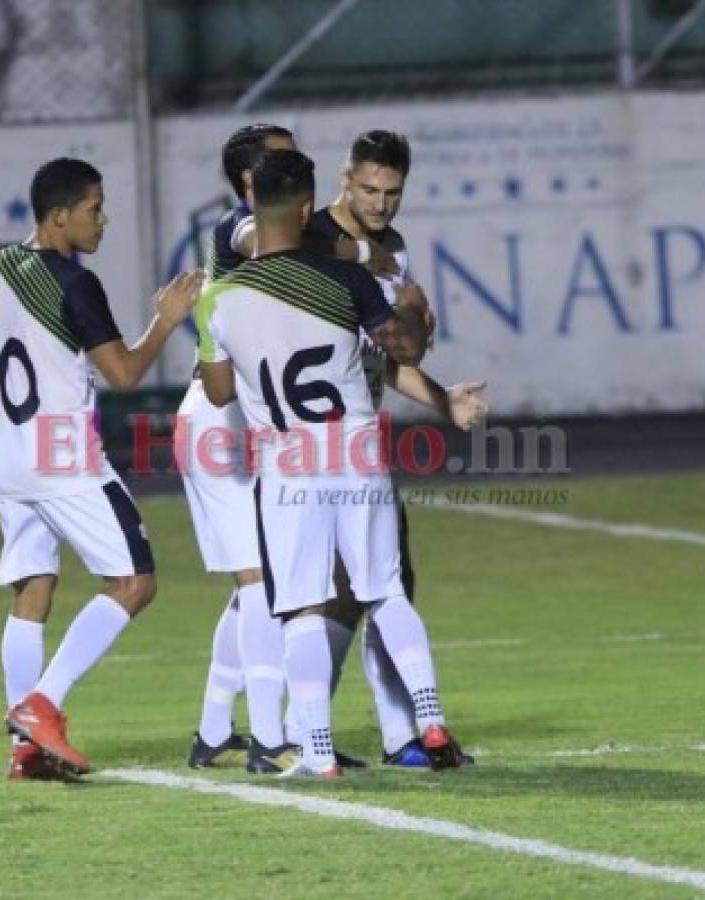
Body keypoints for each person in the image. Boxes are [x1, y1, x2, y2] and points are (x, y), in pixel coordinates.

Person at [197, 149, 463, 777]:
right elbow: (401, 345)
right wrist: (417, 311)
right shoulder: (347, 280)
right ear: (308, 204)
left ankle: (316, 750)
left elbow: (216, 392)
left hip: (287, 463)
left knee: (302, 609)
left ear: (251, 204)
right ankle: (428, 713)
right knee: (387, 591)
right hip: (357, 451)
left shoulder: (220, 299)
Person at [0, 157, 202, 779]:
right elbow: (123, 373)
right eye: (94, 207)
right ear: (59, 216)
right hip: (61, 457)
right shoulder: (72, 283)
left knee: (33, 589)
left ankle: (24, 750)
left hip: (5, 456)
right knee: (134, 582)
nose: (103, 218)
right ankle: (42, 706)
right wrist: (166, 321)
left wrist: (15, 420)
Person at [301, 130, 485, 767]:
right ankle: (296, 733)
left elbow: (385, 354)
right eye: (369, 189)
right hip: (302, 440)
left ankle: (392, 732)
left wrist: (442, 399)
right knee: (323, 592)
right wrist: (392, 293)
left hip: (354, 433)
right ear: (344, 180)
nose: (380, 204)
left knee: (375, 585)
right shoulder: (312, 238)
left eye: (393, 192)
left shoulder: (393, 247)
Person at [181, 124, 301, 774]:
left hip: (234, 422)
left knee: (256, 581)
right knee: (259, 579)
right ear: (252, 181)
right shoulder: (244, 227)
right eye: (284, 159)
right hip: (216, 423)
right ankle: (269, 738)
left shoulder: (288, 234)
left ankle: (212, 729)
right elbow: (263, 248)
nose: (298, 164)